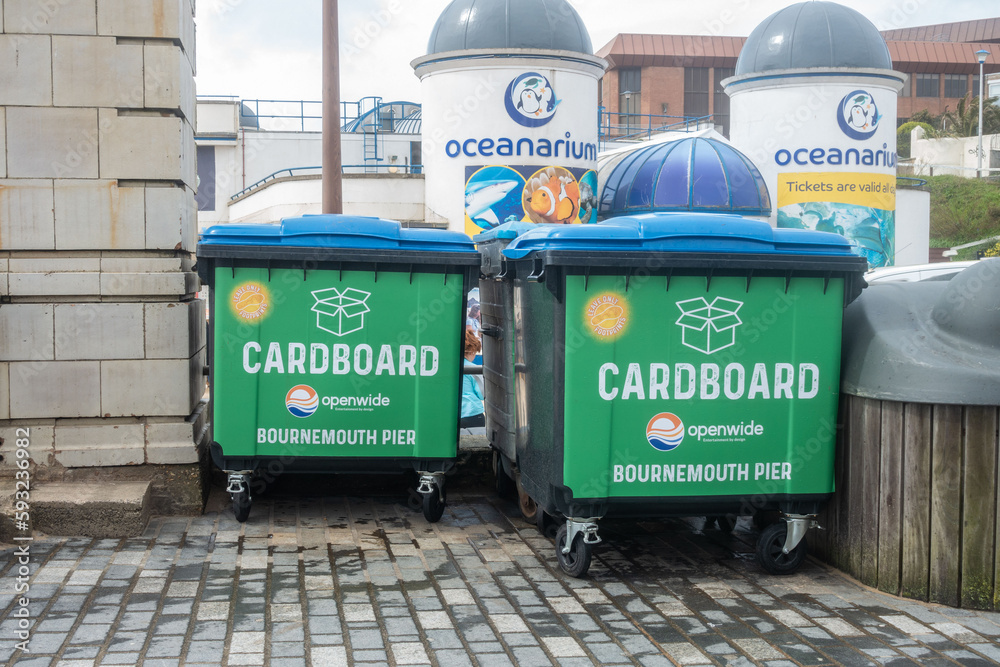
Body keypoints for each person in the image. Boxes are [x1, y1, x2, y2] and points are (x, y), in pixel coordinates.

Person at [460, 327, 485, 428]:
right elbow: (482, 393)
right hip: (472, 413)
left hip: (449, 414)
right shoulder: (473, 369)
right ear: (472, 352)